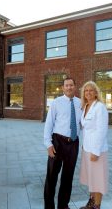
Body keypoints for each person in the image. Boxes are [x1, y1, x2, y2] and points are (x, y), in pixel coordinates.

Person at [43, 77, 82, 209]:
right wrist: (48, 144)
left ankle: (63, 205)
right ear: (63, 87)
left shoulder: (80, 103)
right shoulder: (56, 102)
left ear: (75, 87)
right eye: (66, 85)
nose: (69, 87)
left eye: (71, 85)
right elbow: (49, 124)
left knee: (68, 176)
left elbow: (83, 123)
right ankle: (49, 206)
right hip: (58, 142)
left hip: (73, 143)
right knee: (52, 176)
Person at [79, 81, 109, 209]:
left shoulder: (100, 107)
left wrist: (96, 152)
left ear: (96, 93)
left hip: (97, 151)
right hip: (86, 148)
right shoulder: (86, 106)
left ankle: (97, 206)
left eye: (91, 90)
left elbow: (101, 130)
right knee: (91, 178)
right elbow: (85, 128)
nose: (88, 93)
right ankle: (91, 203)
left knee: (97, 180)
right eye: (86, 90)